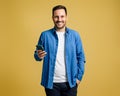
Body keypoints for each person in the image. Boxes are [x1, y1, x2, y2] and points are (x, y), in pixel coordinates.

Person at [34, 5, 86, 96]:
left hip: (71, 83)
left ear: (66, 17)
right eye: (56, 16)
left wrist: (78, 78)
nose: (59, 19)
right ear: (52, 18)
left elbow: (81, 57)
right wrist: (39, 55)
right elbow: (36, 55)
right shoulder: (45, 35)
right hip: (51, 84)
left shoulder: (75, 35)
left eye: (62, 16)